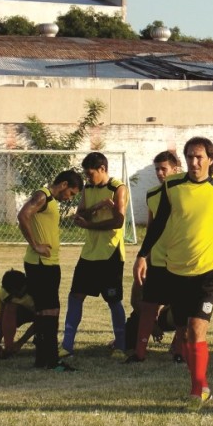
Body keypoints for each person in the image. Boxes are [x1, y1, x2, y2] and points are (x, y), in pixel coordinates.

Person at [134, 136, 213, 410]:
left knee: (197, 330)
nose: (194, 162)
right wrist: (142, 255)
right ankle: (201, 383)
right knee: (184, 333)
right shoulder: (173, 186)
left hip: (209, 271)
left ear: (210, 159)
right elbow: (158, 224)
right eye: (189, 157)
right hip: (176, 270)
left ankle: (197, 391)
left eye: (199, 157)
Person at [61, 152, 128, 361]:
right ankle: (67, 345)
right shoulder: (88, 189)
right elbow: (79, 216)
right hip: (89, 253)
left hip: (111, 253)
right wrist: (97, 207)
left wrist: (92, 223)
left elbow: (118, 221)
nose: (88, 179)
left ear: (102, 169)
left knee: (113, 300)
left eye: (91, 174)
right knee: (75, 296)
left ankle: (121, 345)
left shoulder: (118, 188)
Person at [17, 168, 84, 372]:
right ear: (63, 185)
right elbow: (23, 215)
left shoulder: (51, 201)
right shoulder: (43, 196)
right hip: (41, 264)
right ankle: (51, 360)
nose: (70, 197)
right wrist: (36, 244)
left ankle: (43, 359)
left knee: (47, 311)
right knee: (49, 311)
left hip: (49, 264)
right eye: (71, 193)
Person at [125, 151, 182, 363]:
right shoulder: (152, 195)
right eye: (157, 169)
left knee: (183, 306)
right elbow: (151, 228)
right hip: (157, 259)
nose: (159, 173)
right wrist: (144, 256)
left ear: (175, 168)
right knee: (148, 304)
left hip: (181, 259)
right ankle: (139, 351)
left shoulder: (185, 192)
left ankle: (178, 348)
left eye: (163, 168)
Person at [0, 269, 36, 359]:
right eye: (11, 293)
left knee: (46, 322)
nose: (14, 296)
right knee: (10, 306)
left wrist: (20, 342)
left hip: (39, 314)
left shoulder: (37, 292)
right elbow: (1, 318)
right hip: (19, 313)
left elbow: (43, 318)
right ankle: (9, 347)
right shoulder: (4, 293)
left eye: (16, 293)